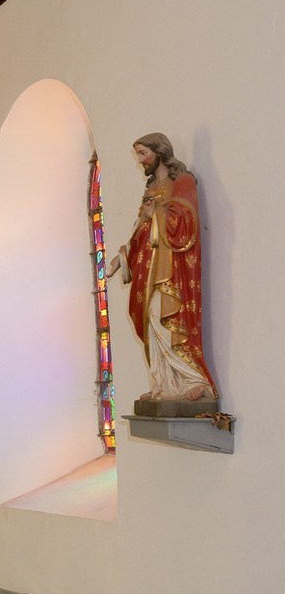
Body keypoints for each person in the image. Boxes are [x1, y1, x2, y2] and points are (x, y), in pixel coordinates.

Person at [105, 132, 218, 404]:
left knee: (164, 315)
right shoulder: (150, 190)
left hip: (172, 267)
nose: (141, 160)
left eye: (144, 154)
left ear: (160, 151)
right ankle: (163, 384)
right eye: (139, 156)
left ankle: (192, 379)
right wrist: (123, 255)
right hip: (148, 264)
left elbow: (186, 221)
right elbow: (141, 230)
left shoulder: (183, 181)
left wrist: (155, 212)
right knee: (152, 321)